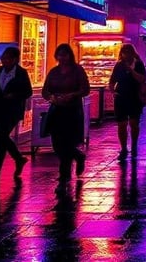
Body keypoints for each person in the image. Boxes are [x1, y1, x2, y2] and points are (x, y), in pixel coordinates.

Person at [42, 43, 90, 196]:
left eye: (65, 54)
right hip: (57, 110)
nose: (62, 58)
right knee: (57, 144)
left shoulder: (77, 70)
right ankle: (78, 156)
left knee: (66, 143)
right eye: (59, 55)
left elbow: (85, 89)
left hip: (72, 111)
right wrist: (51, 97)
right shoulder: (54, 72)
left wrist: (72, 95)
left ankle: (64, 179)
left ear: (70, 55)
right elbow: (45, 90)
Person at [0, 46, 33, 185]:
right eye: (3, 58)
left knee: (1, 138)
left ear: (14, 59)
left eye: (7, 58)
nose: (4, 61)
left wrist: (14, 96)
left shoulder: (21, 73)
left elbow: (27, 91)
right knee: (2, 136)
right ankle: (18, 158)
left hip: (12, 110)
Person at [109, 44, 146, 160]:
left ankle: (134, 145)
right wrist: (113, 91)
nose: (126, 55)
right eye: (124, 52)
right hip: (121, 97)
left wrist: (131, 70)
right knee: (121, 124)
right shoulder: (119, 66)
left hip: (134, 97)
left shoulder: (138, 64)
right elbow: (112, 81)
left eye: (128, 52)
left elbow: (142, 79)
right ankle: (124, 148)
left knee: (134, 123)